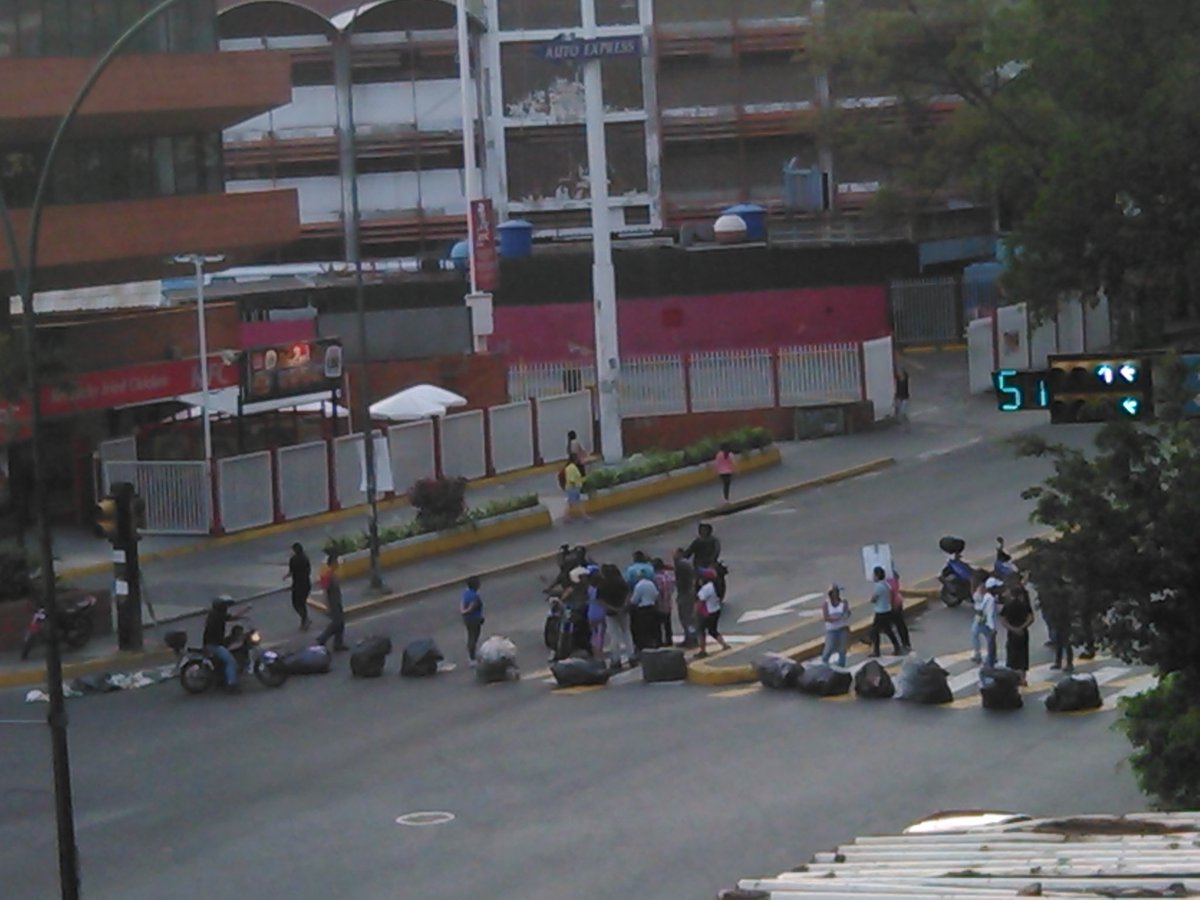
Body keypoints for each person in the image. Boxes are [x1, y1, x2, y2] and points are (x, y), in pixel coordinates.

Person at [202, 595, 246, 691]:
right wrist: (245, 609)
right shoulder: (217, 616)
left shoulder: (214, 615)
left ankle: (223, 677)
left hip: (216, 642)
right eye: (225, 607)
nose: (226, 608)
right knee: (231, 661)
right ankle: (232, 684)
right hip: (213, 645)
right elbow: (233, 617)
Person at [597, 563, 634, 669]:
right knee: (627, 633)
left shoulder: (602, 585)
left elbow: (600, 601)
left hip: (610, 613)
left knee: (614, 636)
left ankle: (616, 660)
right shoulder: (621, 582)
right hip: (624, 611)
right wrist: (624, 606)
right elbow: (628, 593)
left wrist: (612, 608)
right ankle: (631, 656)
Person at [999, 578, 1034, 684]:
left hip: (1012, 633)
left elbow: (1003, 620)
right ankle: (1023, 678)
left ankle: (1014, 677)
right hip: (1023, 633)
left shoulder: (1008, 605)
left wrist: (1013, 629)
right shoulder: (1025, 605)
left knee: (1012, 654)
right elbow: (1031, 618)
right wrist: (1022, 627)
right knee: (1023, 654)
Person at [315, 552, 347, 652]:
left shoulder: (333, 574)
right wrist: (326, 605)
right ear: (332, 563)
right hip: (332, 602)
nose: (337, 564)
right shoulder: (328, 576)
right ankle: (322, 638)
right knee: (337, 623)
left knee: (340, 623)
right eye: (336, 562)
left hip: (337, 600)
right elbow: (325, 591)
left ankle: (338, 643)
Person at [695, 568, 731, 658]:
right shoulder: (715, 586)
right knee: (713, 630)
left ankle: (703, 651)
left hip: (706, 613)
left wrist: (694, 612)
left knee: (701, 632)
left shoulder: (706, 589)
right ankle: (724, 645)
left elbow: (700, 602)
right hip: (716, 611)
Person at [868, 566, 903, 658]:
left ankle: (876, 650)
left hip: (880, 611)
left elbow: (873, 599)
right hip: (887, 609)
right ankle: (897, 647)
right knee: (888, 630)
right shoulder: (886, 584)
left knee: (875, 631)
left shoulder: (878, 586)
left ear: (876, 576)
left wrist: (871, 599)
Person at [972, 576, 1001, 668]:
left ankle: (985, 657)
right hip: (981, 620)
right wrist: (992, 628)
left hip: (981, 620)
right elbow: (989, 614)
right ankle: (986, 657)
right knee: (984, 638)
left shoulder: (989, 597)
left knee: (979, 636)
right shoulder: (988, 597)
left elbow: (990, 613)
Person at [672, 548, 698, 648]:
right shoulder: (686, 564)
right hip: (689, 593)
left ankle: (691, 639)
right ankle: (691, 637)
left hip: (685, 594)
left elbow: (681, 582)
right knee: (689, 617)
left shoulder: (681, 565)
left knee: (686, 617)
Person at [820, 584, 852, 667]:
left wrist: (845, 614)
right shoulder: (826, 604)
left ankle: (841, 666)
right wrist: (837, 619)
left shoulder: (844, 602)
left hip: (843, 628)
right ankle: (823, 665)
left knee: (842, 650)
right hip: (831, 630)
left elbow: (846, 613)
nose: (836, 595)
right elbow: (826, 617)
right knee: (829, 649)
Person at [629, 572, 661, 653]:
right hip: (652, 608)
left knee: (643, 631)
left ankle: (646, 648)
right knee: (653, 629)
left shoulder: (638, 586)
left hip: (643, 610)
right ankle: (655, 645)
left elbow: (634, 600)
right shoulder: (651, 584)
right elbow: (656, 595)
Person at [283, 542, 312, 630]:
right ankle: (305, 619)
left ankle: (305, 619)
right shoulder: (305, 558)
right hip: (306, 584)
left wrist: (285, 577)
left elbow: (291, 572)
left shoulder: (293, 559)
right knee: (302, 603)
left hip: (297, 585)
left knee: (296, 604)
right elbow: (309, 571)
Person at [886, 565, 912, 653]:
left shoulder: (888, 578)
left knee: (894, 625)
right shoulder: (892, 575)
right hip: (897, 602)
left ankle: (900, 645)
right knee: (899, 624)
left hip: (893, 604)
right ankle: (905, 644)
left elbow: (891, 591)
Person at [461, 575, 484, 666]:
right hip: (474, 619)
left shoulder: (466, 593)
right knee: (473, 637)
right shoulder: (475, 596)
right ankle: (472, 657)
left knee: (471, 636)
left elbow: (462, 603)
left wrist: (463, 611)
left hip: (467, 620)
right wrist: (466, 611)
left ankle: (472, 655)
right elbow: (472, 606)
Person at [652, 558, 676, 648]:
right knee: (667, 623)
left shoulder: (655, 578)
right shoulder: (668, 576)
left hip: (659, 604)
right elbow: (673, 587)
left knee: (658, 625)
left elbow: (656, 591)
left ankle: (659, 641)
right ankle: (669, 640)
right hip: (668, 602)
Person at [586, 570, 607, 659]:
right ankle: (599, 651)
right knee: (600, 634)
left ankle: (595, 651)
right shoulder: (601, 589)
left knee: (594, 634)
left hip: (591, 613)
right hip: (600, 613)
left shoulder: (589, 589)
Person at [561, 455, 586, 523]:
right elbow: (571, 479)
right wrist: (574, 486)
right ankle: (566, 517)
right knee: (571, 503)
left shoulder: (570, 467)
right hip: (573, 488)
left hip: (573, 488)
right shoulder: (572, 468)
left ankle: (584, 516)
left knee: (575, 503)